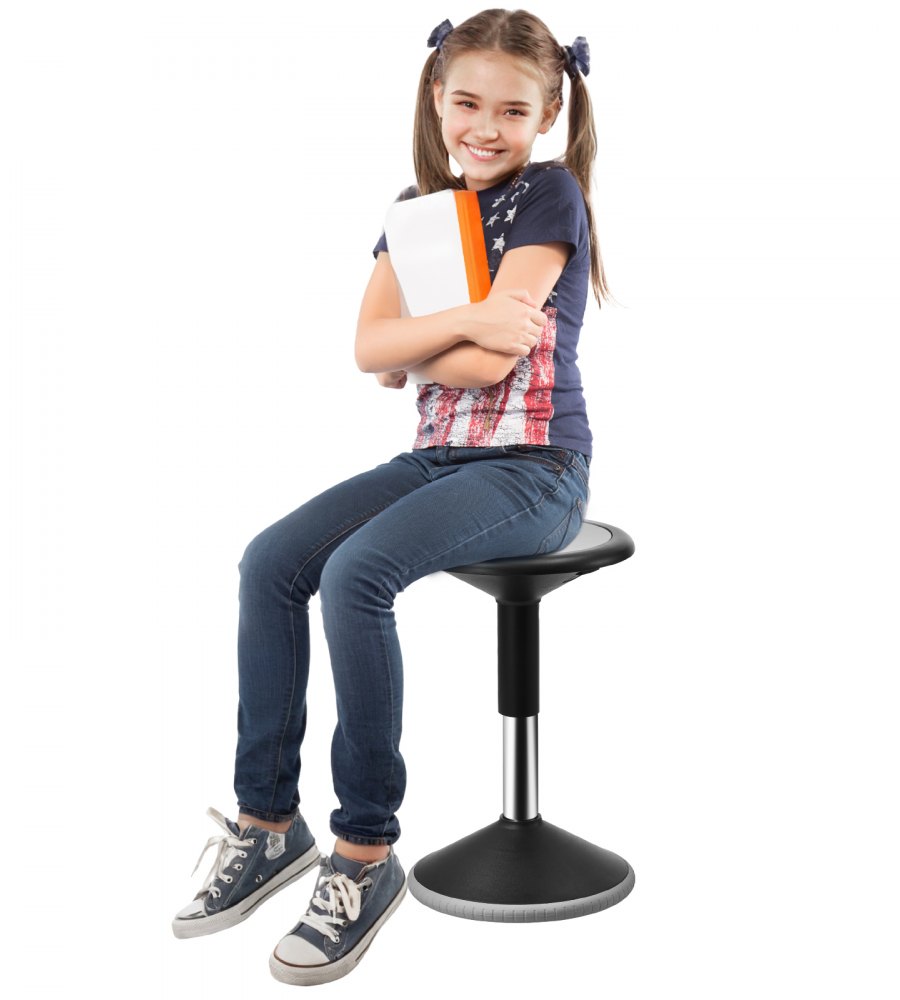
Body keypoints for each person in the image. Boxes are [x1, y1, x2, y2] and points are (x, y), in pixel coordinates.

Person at [172, 9, 608, 986]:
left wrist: (425, 343)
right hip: (434, 459)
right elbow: (370, 349)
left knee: (355, 574)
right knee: (271, 563)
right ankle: (267, 825)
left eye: (512, 110)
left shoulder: (551, 194)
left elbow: (488, 357)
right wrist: (469, 322)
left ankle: (364, 854)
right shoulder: (416, 211)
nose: (485, 127)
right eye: (467, 103)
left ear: (546, 116)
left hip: (534, 466)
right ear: (436, 98)